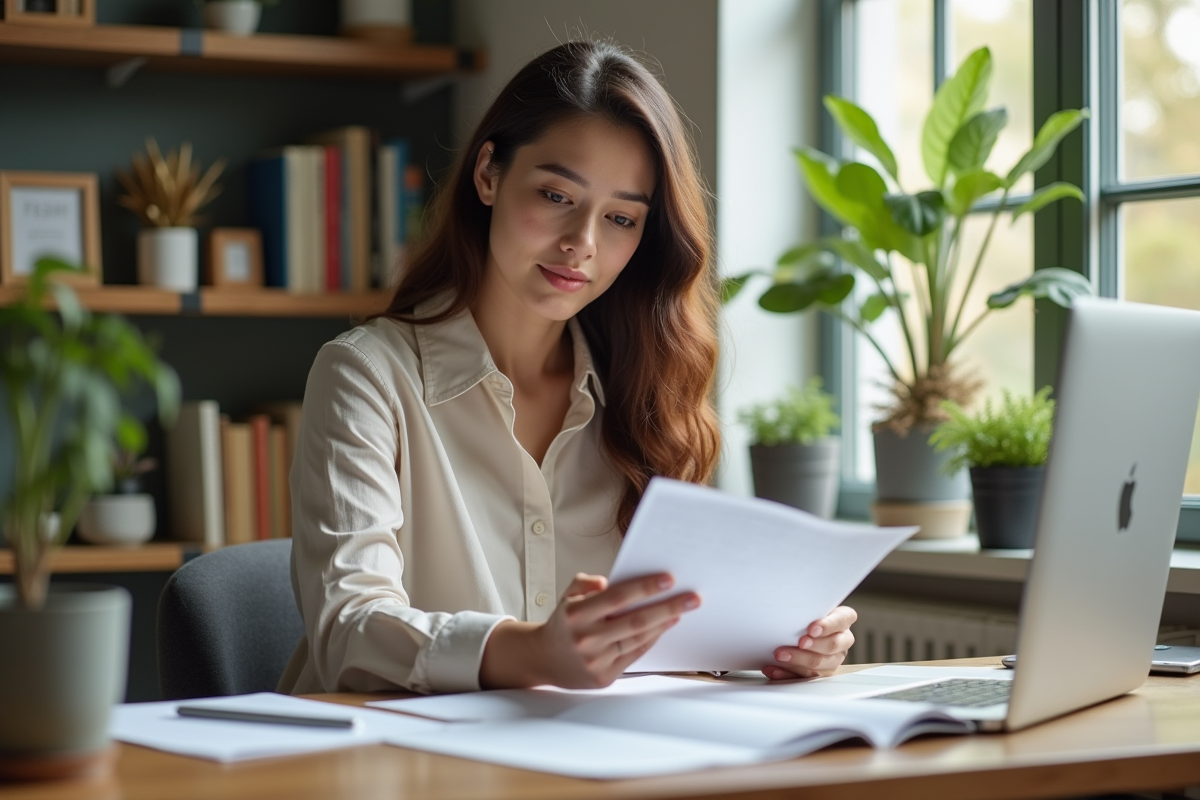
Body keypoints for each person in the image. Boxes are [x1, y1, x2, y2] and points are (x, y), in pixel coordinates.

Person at [278, 40, 857, 696]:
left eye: (620, 218)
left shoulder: (643, 394)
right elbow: (349, 628)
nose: (582, 243)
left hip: (580, 759)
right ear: (489, 174)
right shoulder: (366, 375)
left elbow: (667, 626)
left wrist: (770, 639)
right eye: (556, 194)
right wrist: (532, 652)